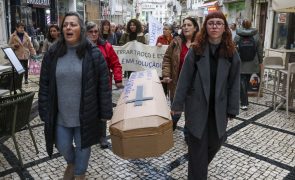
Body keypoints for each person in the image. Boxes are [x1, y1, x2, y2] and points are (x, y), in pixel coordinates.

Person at [38, 12, 112, 180]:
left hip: (86, 115)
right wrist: (44, 109)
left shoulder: (93, 53)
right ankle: (72, 163)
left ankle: (79, 174)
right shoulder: (53, 53)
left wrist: (105, 112)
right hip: (61, 115)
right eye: (65, 25)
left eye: (73, 24)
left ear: (81, 29)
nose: (68, 27)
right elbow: (45, 84)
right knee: (63, 146)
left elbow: (103, 85)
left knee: (83, 146)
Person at [171, 11, 240, 179]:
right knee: (197, 147)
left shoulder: (231, 53)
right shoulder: (196, 50)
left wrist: (232, 108)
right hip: (197, 106)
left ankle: (198, 167)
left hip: (219, 108)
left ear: (224, 28)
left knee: (216, 142)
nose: (214, 26)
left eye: (218, 23)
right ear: (205, 27)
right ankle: (197, 173)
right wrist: (177, 105)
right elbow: (184, 79)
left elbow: (234, 82)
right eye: (211, 23)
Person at [86, 21, 123, 149]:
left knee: (103, 110)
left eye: (96, 31)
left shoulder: (106, 46)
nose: (94, 34)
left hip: (103, 84)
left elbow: (116, 64)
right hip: (86, 85)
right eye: (90, 32)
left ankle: (102, 137)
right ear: (85, 33)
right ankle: (89, 135)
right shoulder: (80, 47)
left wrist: (118, 79)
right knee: (88, 110)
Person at [162, 17, 199, 143]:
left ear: (195, 28)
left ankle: (188, 135)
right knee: (176, 110)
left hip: (195, 86)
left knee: (192, 112)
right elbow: (167, 58)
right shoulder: (176, 41)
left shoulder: (201, 42)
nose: (186, 27)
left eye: (189, 25)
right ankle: (170, 127)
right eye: (184, 25)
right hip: (177, 84)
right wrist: (166, 74)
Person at [234, 19, 263, 111]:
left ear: (242, 25)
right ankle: (244, 100)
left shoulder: (238, 35)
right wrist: (260, 61)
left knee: (242, 80)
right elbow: (259, 50)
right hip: (253, 62)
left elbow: (233, 48)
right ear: (251, 25)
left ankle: (244, 102)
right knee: (246, 81)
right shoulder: (256, 35)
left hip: (241, 61)